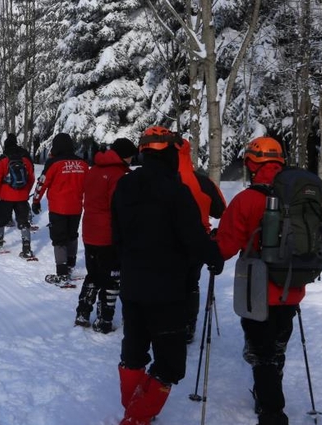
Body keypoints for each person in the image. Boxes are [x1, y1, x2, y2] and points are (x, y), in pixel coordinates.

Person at [111, 126, 224, 425]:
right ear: (172, 153)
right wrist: (214, 256)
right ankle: (137, 416)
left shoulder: (125, 185)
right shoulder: (176, 191)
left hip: (134, 284)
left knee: (134, 351)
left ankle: (134, 407)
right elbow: (193, 237)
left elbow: (117, 234)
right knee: (170, 362)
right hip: (168, 290)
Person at [213, 137, 296, 425]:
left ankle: (272, 411)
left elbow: (226, 246)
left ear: (251, 163)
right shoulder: (298, 194)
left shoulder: (247, 200)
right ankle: (270, 392)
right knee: (278, 345)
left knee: (262, 353)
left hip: (257, 289)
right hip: (292, 286)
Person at [75, 138, 137, 333]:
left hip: (89, 231)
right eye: (130, 156)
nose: (131, 160)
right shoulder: (118, 175)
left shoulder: (94, 170)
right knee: (112, 277)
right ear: (124, 156)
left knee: (93, 274)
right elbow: (118, 207)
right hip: (108, 234)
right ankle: (104, 320)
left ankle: (82, 312)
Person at [175, 138, 227, 343]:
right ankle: (189, 326)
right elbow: (221, 209)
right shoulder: (202, 182)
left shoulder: (160, 179)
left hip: (165, 242)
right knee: (191, 284)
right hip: (197, 241)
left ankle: (168, 325)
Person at [31, 133, 88, 283]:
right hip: (76, 207)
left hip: (58, 207)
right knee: (72, 235)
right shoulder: (82, 164)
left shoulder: (53, 163)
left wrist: (36, 201)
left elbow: (42, 183)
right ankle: (71, 265)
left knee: (59, 239)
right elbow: (89, 186)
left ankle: (61, 272)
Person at [0, 135, 36, 258]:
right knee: (24, 222)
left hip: (6, 196)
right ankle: (27, 248)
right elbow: (31, 178)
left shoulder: (3, 159)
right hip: (22, 197)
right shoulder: (26, 159)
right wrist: (26, 192)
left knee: (1, 220)